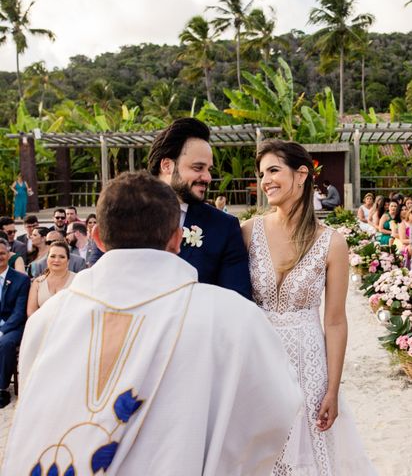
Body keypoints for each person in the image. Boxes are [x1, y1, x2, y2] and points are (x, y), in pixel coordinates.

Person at [2, 171, 301, 474]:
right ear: (176, 237)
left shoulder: (47, 320)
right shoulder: (233, 317)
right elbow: (275, 410)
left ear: (97, 238)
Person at [242, 140, 375, 474]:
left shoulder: (333, 242)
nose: (265, 180)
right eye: (262, 173)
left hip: (308, 363)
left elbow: (335, 322)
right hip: (261, 360)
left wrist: (333, 388)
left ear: (301, 175)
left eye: (273, 170)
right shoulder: (247, 232)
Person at [148, 117, 251, 299]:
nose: (207, 177)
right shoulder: (124, 216)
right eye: (198, 168)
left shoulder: (224, 227)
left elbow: (237, 302)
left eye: (208, 169)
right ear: (167, 166)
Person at [0, 237, 30, 408]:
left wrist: (3, 330)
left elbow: (19, 313)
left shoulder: (20, 279)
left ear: (8, 254)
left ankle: (2, 388)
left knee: (5, 344)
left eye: (2, 253)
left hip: (13, 326)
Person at [26, 241, 75, 317]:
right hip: (42, 326)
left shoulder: (77, 279)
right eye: (53, 256)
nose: (56, 260)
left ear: (68, 261)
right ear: (47, 259)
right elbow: (31, 312)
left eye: (62, 257)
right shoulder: (38, 282)